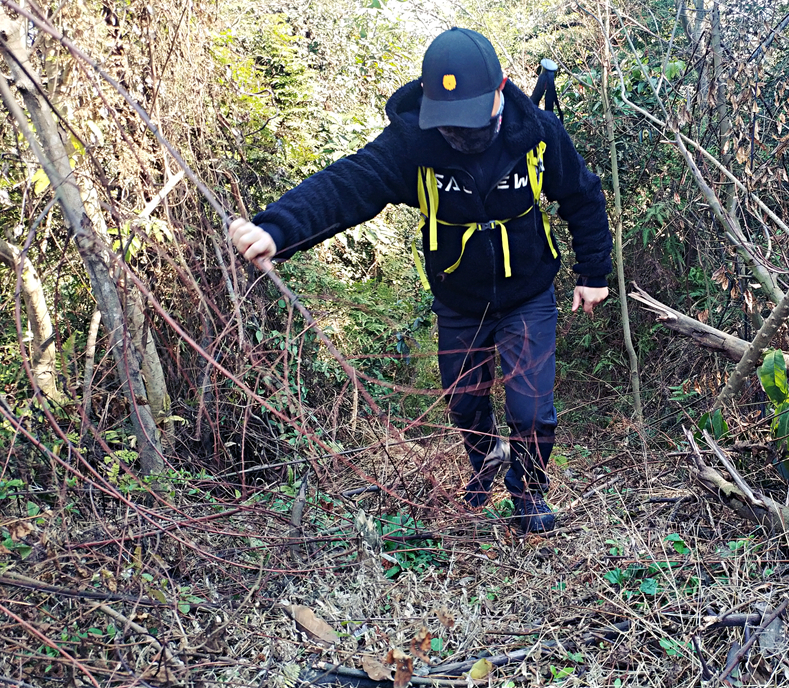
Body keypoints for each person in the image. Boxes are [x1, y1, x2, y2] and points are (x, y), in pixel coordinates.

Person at [229, 27, 612, 532]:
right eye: (450, 124)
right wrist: (277, 229)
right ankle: (486, 463)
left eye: (471, 123)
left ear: (499, 91)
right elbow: (350, 184)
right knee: (465, 400)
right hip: (458, 299)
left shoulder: (536, 132)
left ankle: (530, 492)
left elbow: (583, 195)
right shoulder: (414, 140)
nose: (461, 135)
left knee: (533, 407)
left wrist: (593, 272)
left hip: (528, 294)